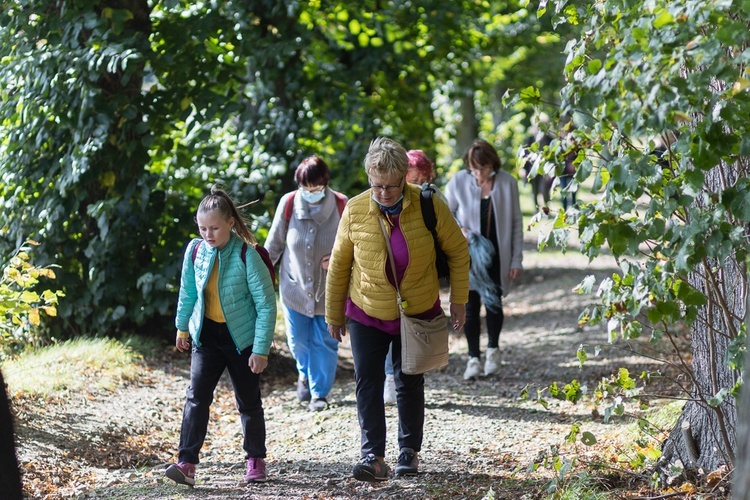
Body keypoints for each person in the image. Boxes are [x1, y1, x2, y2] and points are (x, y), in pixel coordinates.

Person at [325, 137, 470, 482]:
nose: (385, 193)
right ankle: (372, 454)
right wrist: (333, 314)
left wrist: (459, 300)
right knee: (368, 383)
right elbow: (340, 265)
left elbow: (459, 252)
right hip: (366, 309)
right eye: (378, 186)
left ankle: (409, 452)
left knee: (408, 381)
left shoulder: (429, 205)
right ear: (369, 179)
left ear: (406, 177)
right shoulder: (356, 209)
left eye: (392, 186)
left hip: (417, 309)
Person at [166, 186, 277, 487]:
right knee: (196, 398)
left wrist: (261, 350)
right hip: (207, 337)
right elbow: (188, 292)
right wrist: (181, 327)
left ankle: (255, 459)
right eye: (203, 228)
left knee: (248, 401)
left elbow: (266, 304)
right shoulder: (195, 251)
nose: (208, 234)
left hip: (241, 338)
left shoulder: (247, 255)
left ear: (230, 223)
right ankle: (186, 463)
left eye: (214, 228)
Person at [265, 156, 347, 412]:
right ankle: (304, 374)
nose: (310, 193)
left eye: (316, 189)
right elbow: (274, 244)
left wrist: (338, 259)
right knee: (298, 340)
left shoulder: (342, 204)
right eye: (305, 188)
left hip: (329, 291)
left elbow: (355, 245)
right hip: (294, 289)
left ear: (326, 183)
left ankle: (319, 393)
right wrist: (262, 274)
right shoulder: (288, 203)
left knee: (325, 341)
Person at [445, 139, 524, 380]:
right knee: (469, 304)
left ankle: (493, 352)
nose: (479, 173)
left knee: (493, 302)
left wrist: (516, 260)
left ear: (493, 164)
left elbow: (516, 222)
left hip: (498, 254)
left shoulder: (507, 183)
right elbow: (444, 212)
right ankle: (472, 359)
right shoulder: (459, 181)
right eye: (475, 168)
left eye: (484, 168)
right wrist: (460, 231)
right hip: (467, 255)